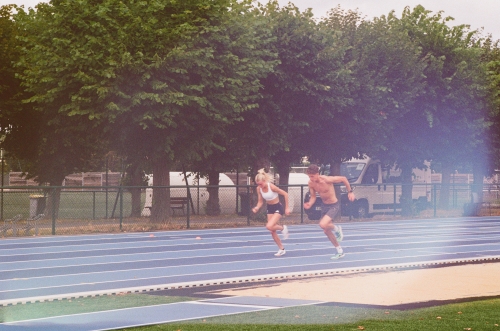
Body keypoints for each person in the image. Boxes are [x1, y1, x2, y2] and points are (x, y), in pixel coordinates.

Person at [303, 164, 355, 259]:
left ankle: (337, 229)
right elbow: (313, 196)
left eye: (312, 176)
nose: (311, 178)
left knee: (322, 224)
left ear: (317, 174)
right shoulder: (311, 183)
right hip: (324, 206)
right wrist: (310, 203)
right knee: (326, 230)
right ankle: (340, 251)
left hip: (333, 205)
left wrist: (350, 192)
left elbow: (343, 178)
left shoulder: (327, 179)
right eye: (309, 176)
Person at [252, 168, 290, 256]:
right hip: (270, 208)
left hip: (278, 207)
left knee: (269, 225)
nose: (260, 186)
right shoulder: (259, 189)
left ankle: (282, 228)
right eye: (258, 184)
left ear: (264, 181)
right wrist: (257, 207)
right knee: (271, 230)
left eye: (261, 184)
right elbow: (260, 201)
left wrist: (287, 208)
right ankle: (281, 249)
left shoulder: (271, 186)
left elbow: (285, 194)